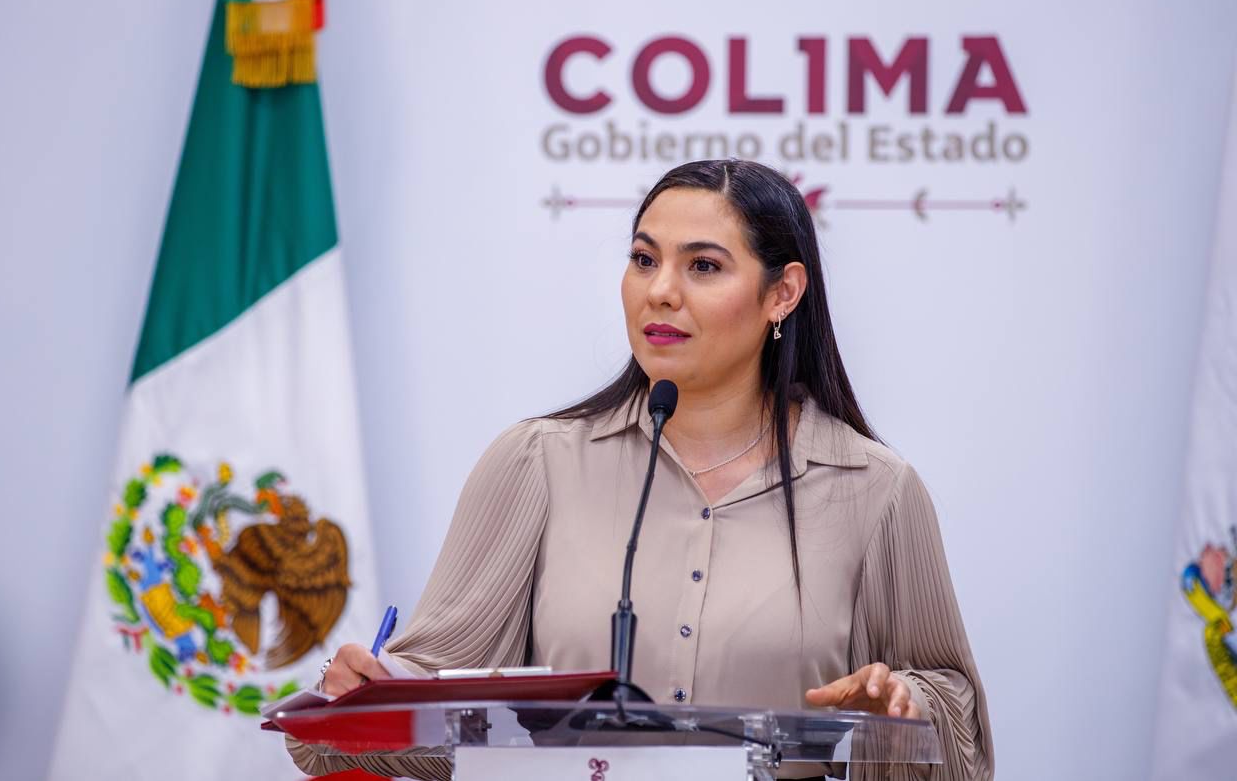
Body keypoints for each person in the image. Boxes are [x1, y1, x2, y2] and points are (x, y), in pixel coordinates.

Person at [287, 160, 993, 779]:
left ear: (782, 293)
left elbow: (958, 725)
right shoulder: (536, 463)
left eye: (703, 266)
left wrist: (905, 705)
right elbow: (431, 692)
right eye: (644, 259)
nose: (660, 291)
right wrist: (369, 689)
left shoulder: (874, 489)